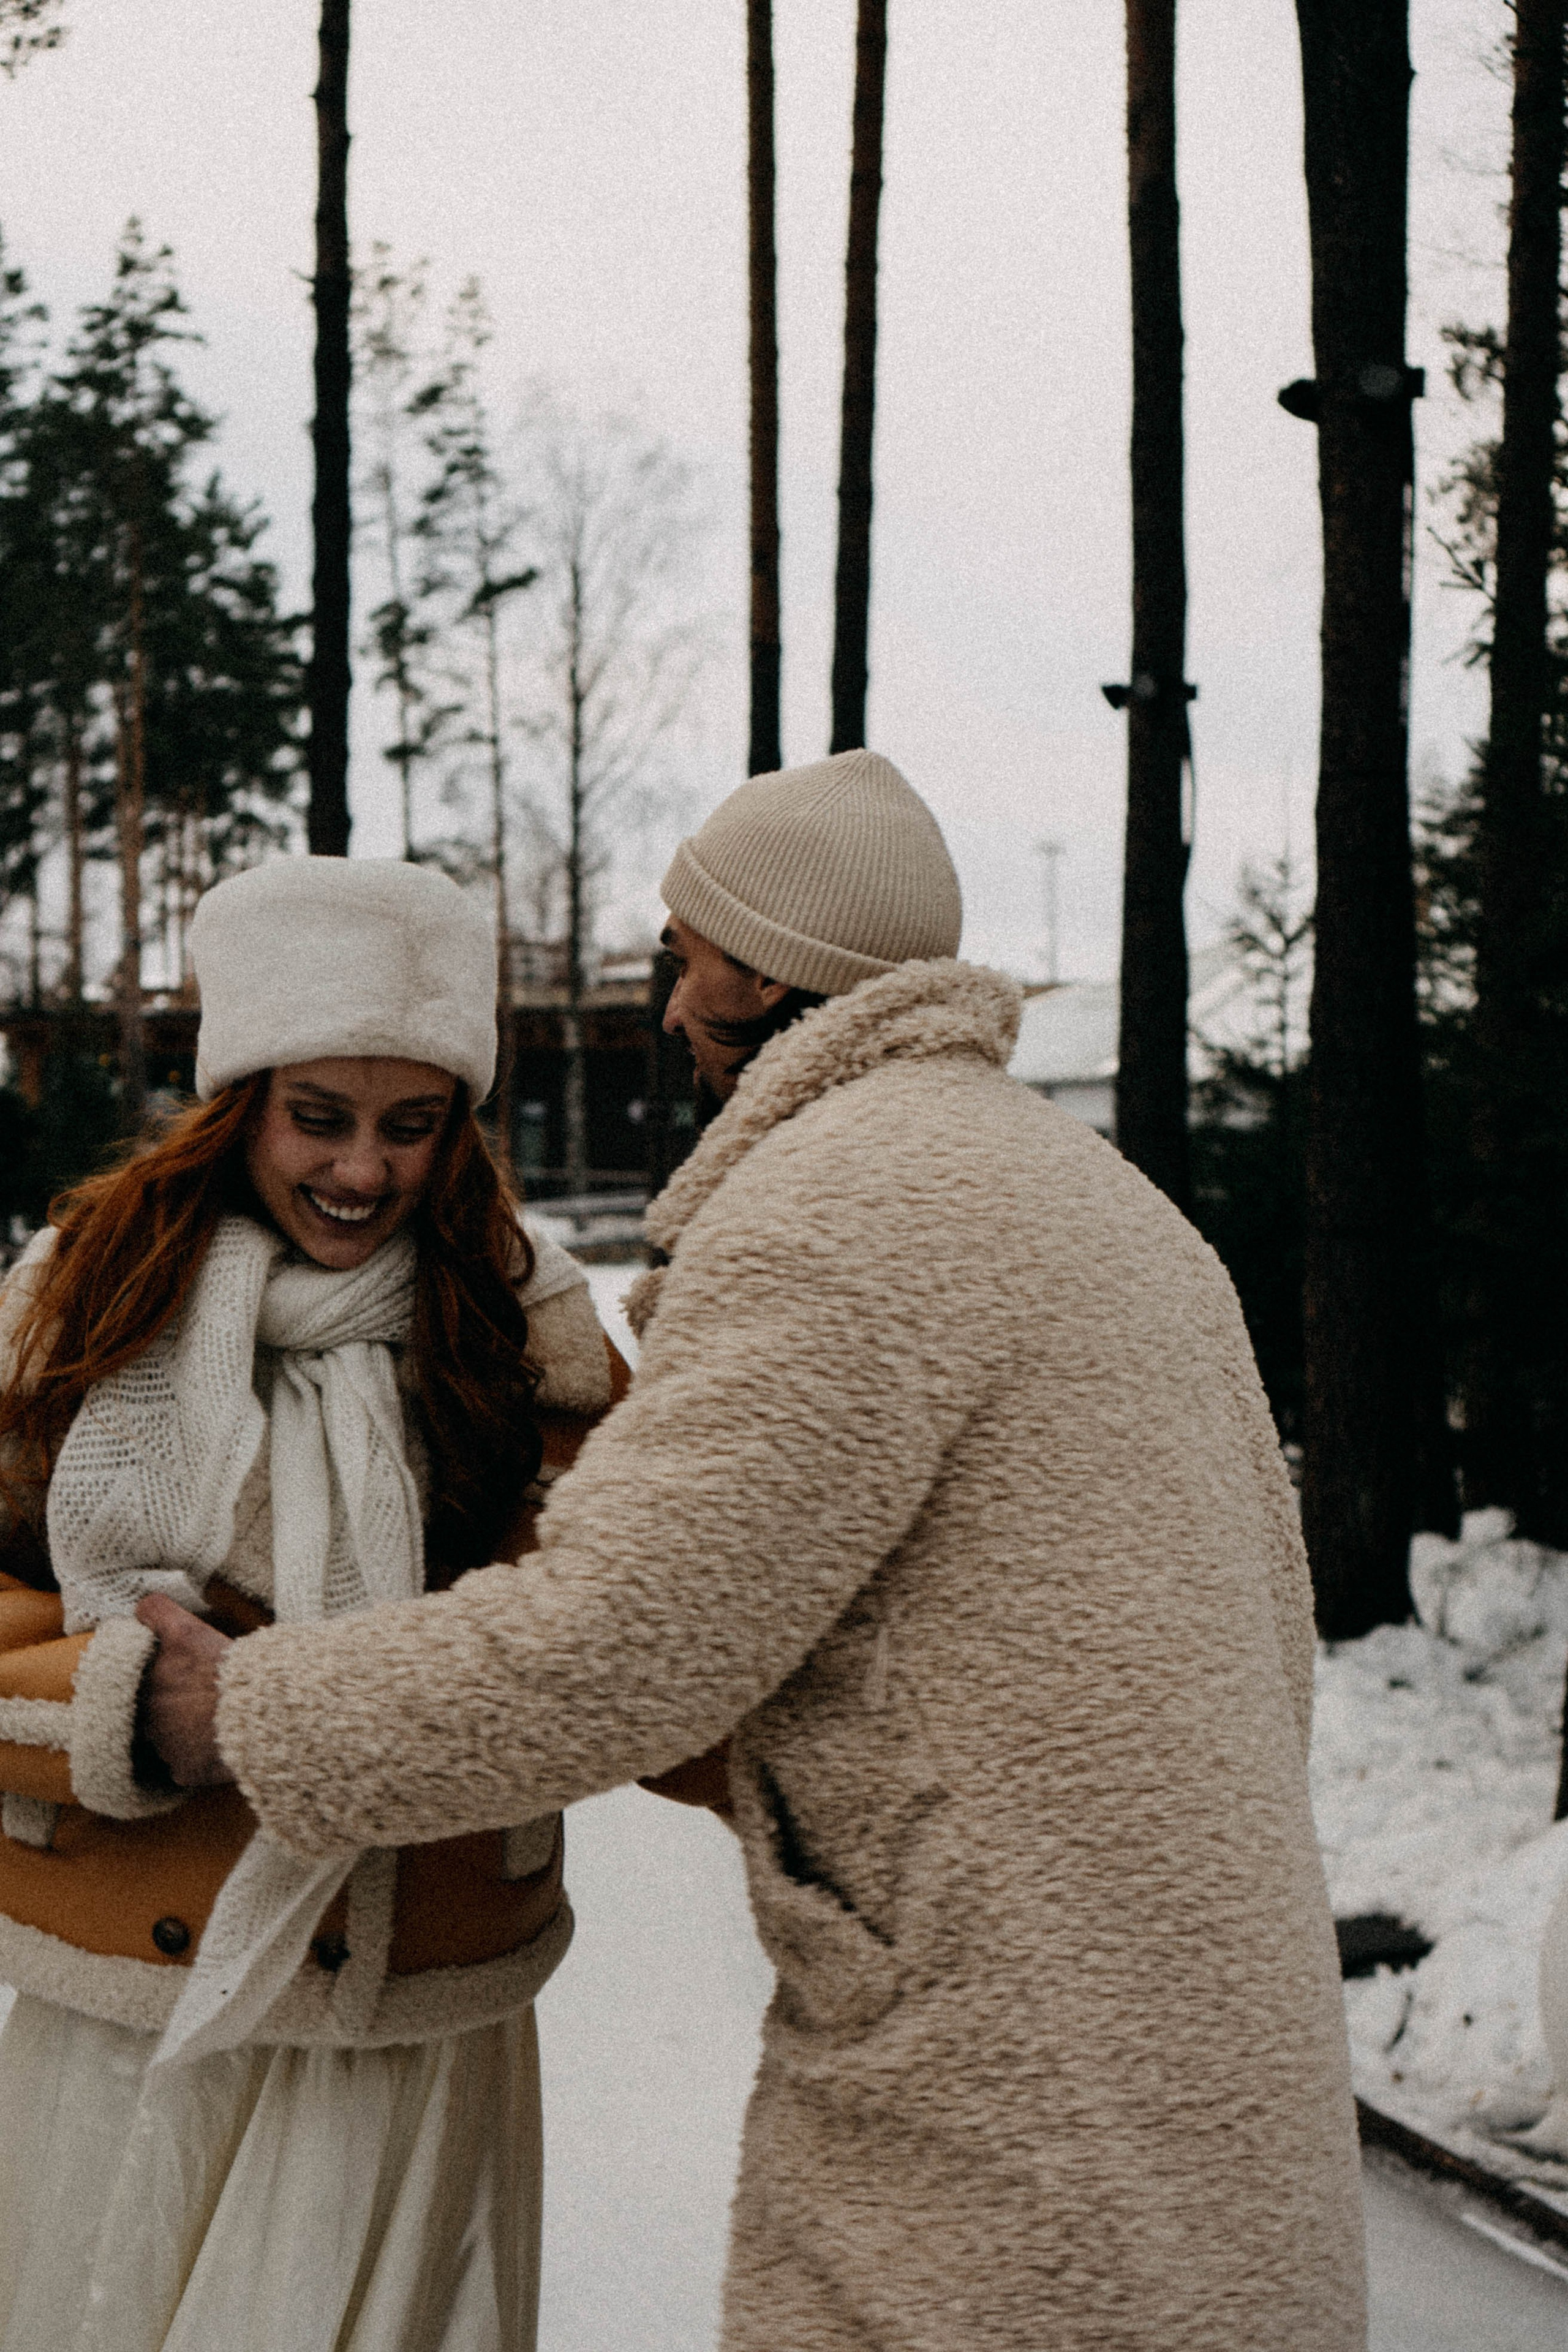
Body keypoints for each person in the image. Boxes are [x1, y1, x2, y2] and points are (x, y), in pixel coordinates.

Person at [146, 751, 1368, 2350]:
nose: (663, 1004)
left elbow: (613, 1648)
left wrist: (246, 1710)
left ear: (772, 973)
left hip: (1011, 2128)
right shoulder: (1107, 1208)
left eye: (683, 956)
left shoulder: (846, 1213)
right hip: (1212, 2080)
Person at [0, 857, 628, 2352]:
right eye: (320, 1120)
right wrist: (116, 1708)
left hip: (413, 2020)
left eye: (411, 1128)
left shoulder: (525, 1332)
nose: (363, 1173)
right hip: (135, 2017)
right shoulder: (72, 1312)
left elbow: (617, 1647)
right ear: (240, 1104)